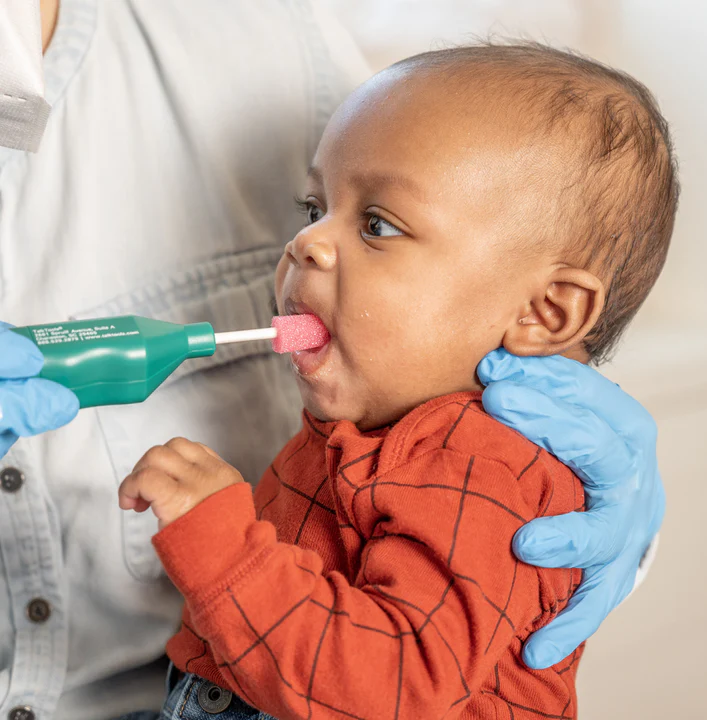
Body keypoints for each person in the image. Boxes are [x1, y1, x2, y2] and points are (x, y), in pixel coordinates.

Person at [0, 3, 664, 720]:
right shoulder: (380, 418)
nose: (307, 243)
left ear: (546, 314)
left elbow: (391, 688)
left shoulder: (478, 468)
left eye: (376, 224)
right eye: (310, 206)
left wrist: (221, 544)